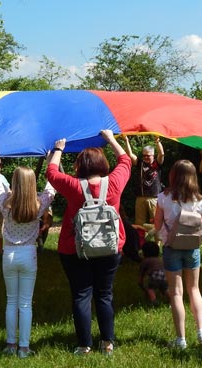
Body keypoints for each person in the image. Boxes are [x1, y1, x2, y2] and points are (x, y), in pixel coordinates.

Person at [46, 130, 131, 355]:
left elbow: (51, 173)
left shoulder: (73, 186)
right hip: (110, 247)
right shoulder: (114, 183)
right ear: (103, 164)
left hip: (75, 248)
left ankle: (84, 345)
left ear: (80, 166)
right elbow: (125, 160)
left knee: (81, 294)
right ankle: (107, 342)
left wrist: (58, 149)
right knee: (104, 293)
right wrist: (111, 139)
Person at [0, 153, 56, 358]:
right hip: (29, 254)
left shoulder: (6, 204)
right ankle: (24, 348)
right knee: (25, 303)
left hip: (9, 253)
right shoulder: (39, 205)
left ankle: (11, 345)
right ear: (31, 183)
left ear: (14, 183)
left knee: (11, 301)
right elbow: (51, 186)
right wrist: (51, 160)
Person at [155, 160, 202, 350]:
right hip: (192, 248)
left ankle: (180, 340)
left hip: (171, 248)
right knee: (194, 289)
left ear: (173, 175)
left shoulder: (163, 198)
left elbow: (157, 227)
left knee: (176, 292)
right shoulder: (199, 200)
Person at [124, 136, 164, 228]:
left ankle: (157, 242)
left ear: (153, 155)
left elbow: (161, 154)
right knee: (140, 224)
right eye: (144, 155)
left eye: (148, 155)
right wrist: (126, 140)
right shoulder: (140, 163)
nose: (146, 157)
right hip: (140, 198)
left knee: (156, 222)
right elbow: (130, 154)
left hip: (154, 198)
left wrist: (157, 141)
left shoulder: (157, 163)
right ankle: (141, 241)